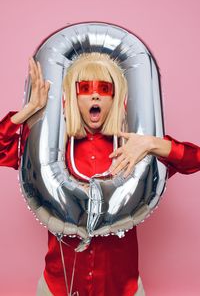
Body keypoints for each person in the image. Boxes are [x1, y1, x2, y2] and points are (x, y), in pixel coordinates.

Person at [0, 53, 200, 296]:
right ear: (73, 97)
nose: (95, 95)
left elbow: (194, 159)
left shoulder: (133, 148)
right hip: (58, 287)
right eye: (85, 88)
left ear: (115, 98)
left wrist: (152, 143)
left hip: (122, 289)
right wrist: (27, 112)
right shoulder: (50, 150)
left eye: (104, 88)